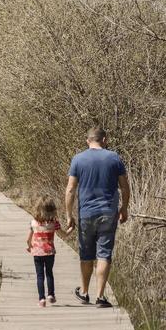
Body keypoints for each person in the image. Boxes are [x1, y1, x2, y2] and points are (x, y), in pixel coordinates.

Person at [65, 125, 130, 308]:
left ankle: (84, 293)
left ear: (88, 141)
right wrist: (124, 208)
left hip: (86, 213)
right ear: (105, 139)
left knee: (86, 254)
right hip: (109, 213)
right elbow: (125, 187)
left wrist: (69, 215)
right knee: (104, 253)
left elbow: (70, 189)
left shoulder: (78, 159)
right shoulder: (114, 158)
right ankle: (100, 297)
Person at [26, 196, 68, 308]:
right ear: (53, 210)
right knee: (49, 273)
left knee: (40, 276)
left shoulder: (33, 222)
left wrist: (29, 246)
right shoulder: (54, 223)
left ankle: (42, 299)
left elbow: (28, 239)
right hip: (49, 252)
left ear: (38, 208)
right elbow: (64, 235)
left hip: (37, 253)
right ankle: (51, 295)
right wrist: (71, 229)